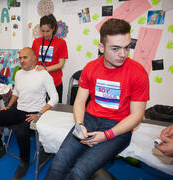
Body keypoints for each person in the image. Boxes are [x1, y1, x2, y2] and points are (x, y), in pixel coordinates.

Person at [45, 18, 150, 180]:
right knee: (59, 162)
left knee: (79, 171)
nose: (123, 54)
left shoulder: (138, 72)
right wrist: (79, 124)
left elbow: (136, 116)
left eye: (127, 47)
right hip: (90, 119)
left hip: (118, 127)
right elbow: (80, 101)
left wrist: (106, 135)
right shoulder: (91, 68)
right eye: (115, 49)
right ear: (101, 47)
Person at [0, 47, 58, 179]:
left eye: (25, 57)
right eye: (20, 58)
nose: (22, 60)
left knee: (21, 134)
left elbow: (55, 97)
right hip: (18, 109)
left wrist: (40, 114)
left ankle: (24, 162)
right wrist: (9, 106)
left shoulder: (43, 74)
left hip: (34, 113)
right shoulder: (18, 74)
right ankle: (0, 148)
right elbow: (16, 92)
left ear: (34, 58)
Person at [32, 14, 68, 103]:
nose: (45, 34)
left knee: (56, 110)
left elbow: (61, 64)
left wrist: (44, 69)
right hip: (39, 83)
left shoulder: (61, 43)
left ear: (53, 29)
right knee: (39, 109)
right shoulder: (36, 42)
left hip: (55, 83)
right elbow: (33, 61)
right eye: (42, 31)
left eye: (47, 31)